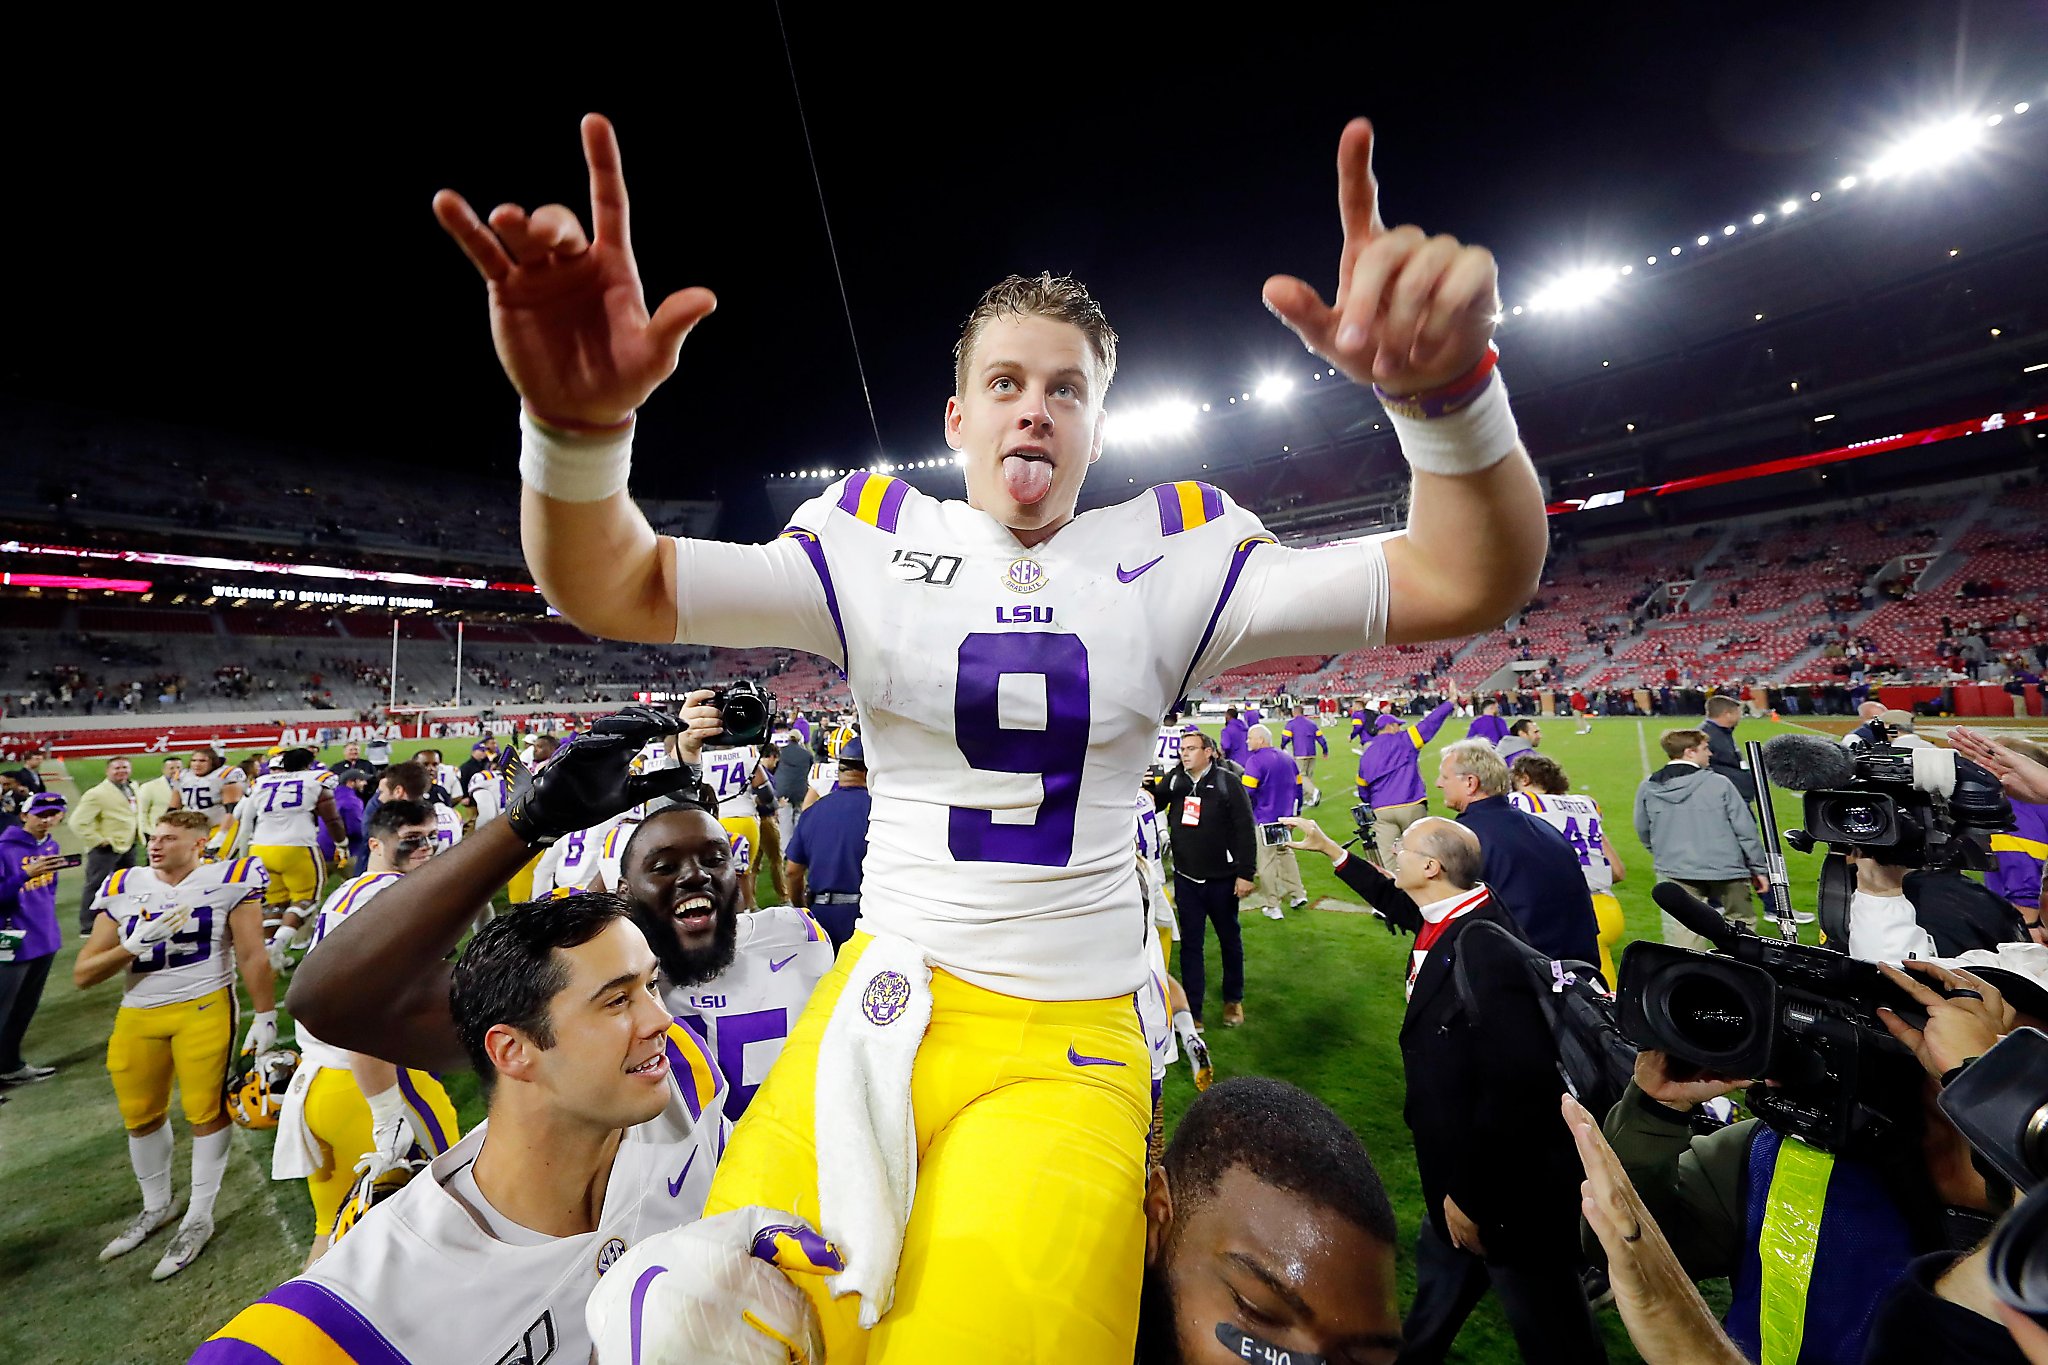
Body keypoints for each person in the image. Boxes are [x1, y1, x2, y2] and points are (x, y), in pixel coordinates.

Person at [436, 112, 1548, 1358]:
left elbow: (1467, 573)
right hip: (878, 1005)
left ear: (1094, 425)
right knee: (695, 1327)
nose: (1034, 410)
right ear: (955, 420)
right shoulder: (866, 536)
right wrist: (576, 437)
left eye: (1065, 389)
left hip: (1065, 1040)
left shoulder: (1174, 552)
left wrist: (1449, 404)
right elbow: (616, 583)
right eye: (1004, 385)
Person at [199, 893, 730, 1365]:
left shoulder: (681, 1079)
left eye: (651, 986)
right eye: (617, 1000)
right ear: (512, 1051)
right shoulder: (363, 1308)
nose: (661, 1020)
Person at [1282, 813, 1606, 1363]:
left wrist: (1472, 1198)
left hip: (1500, 1193)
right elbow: (1404, 905)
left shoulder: (1484, 950)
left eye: (1404, 851)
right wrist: (1331, 851)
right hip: (1457, 1173)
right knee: (1440, 1291)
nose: (1395, 858)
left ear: (1431, 867)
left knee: (1552, 1327)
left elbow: (1519, 1089)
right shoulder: (1461, 909)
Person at [1602, 959, 2009, 1365]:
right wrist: (1655, 1115)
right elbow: (1631, 1245)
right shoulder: (1777, 1155)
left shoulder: (2028, 1178)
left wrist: (1987, 1087)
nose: (1962, 1049)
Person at [73, 810, 275, 1280]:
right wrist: (133, 946)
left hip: (203, 1006)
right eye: (153, 837)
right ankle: (156, 1206)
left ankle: (199, 1216)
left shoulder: (232, 878)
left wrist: (266, 1013)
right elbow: (84, 974)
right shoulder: (124, 883)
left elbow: (251, 953)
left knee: (205, 1111)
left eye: (168, 838)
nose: (156, 845)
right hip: (139, 1012)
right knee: (140, 1115)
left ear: (199, 845)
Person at [270, 798, 461, 1266]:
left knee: (332, 1239)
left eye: (430, 838)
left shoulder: (350, 890)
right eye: (411, 840)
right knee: (451, 1224)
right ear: (375, 843)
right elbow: (364, 1012)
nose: (424, 849)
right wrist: (385, 1110)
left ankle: (301, 1336)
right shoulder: (393, 896)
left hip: (318, 1086)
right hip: (374, 1083)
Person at [1436, 740, 1600, 964]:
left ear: (1470, 783)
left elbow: (1446, 920)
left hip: (1526, 973)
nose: (1438, 784)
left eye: (1445, 777)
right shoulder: (1544, 828)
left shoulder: (1466, 836)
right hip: (1576, 968)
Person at [1150, 731, 1258, 1027]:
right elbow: (1152, 803)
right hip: (1186, 879)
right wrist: (1145, 786)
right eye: (1182, 749)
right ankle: (1193, 1011)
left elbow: (1245, 830)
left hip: (1222, 881)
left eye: (1192, 749)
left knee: (1229, 940)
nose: (1185, 754)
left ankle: (1233, 1000)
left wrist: (1245, 873)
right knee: (1191, 946)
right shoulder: (1176, 780)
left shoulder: (1228, 782)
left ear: (1209, 752)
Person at [1634, 728, 1768, 948]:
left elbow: (1643, 828)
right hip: (1727, 867)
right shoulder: (1719, 783)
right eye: (1705, 749)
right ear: (1690, 752)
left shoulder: (1649, 787)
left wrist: (1663, 853)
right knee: (1740, 926)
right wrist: (1759, 869)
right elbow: (1745, 830)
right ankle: (1740, 975)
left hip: (1677, 866)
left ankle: (1693, 977)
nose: (1710, 754)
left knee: (1685, 928)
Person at [1509, 752, 1627, 986]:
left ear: (1523, 779)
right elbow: (1617, 871)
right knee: (1604, 990)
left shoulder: (1523, 802)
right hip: (1607, 907)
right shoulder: (1586, 804)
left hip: (1568, 911)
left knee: (1560, 992)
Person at [239, 747, 348, 968]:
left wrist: (244, 856)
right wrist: (342, 844)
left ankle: (270, 950)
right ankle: (277, 945)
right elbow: (332, 818)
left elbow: (245, 821)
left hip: (260, 847)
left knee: (275, 902)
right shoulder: (316, 780)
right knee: (306, 899)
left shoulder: (261, 782)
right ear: (309, 764)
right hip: (297, 847)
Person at [0, 792, 68, 1086]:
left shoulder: (51, 845)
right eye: (41, 814)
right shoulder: (4, 848)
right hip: (11, 938)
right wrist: (24, 875)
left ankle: (10, 1065)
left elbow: (48, 893)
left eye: (54, 813)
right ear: (24, 815)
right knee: (3, 1007)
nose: (48, 820)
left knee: (25, 1007)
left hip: (43, 937)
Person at [783, 736, 871, 949]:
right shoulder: (881, 810)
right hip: (870, 915)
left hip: (823, 914)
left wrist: (801, 908)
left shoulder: (813, 812)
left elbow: (792, 871)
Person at [1357, 693, 1457, 856]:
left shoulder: (1368, 752)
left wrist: (1372, 801)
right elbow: (1430, 723)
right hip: (1411, 802)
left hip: (1381, 809)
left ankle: (1393, 882)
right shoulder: (1404, 739)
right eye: (1398, 725)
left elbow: (1362, 787)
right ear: (1390, 727)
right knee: (1419, 853)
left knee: (1388, 858)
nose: (1400, 728)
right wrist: (1450, 703)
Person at [1240, 724, 1307, 920]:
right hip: (1285, 817)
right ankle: (1298, 894)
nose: (1247, 741)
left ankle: (1272, 905)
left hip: (1265, 818)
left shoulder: (1255, 761)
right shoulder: (1287, 758)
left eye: (1250, 738)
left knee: (1266, 862)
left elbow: (1247, 792)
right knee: (1285, 854)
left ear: (1260, 740)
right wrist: (1296, 814)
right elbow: (1299, 788)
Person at [72, 755, 140, 937]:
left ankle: (123, 917)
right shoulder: (97, 793)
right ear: (108, 771)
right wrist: (97, 840)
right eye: (117, 768)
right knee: (95, 885)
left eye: (125, 767)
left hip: (129, 844)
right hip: (106, 848)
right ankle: (87, 926)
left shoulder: (132, 787)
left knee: (127, 884)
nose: (121, 771)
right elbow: (78, 822)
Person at [1988, 736, 2048, 927]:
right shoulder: (2038, 805)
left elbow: (2023, 872)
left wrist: (2028, 927)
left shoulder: (2015, 811)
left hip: (2029, 924)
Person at [178, 748, 247, 860]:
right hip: (195, 827)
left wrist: (221, 835)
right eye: (194, 760)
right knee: (188, 862)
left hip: (222, 824)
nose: (197, 764)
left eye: (202, 761)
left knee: (213, 861)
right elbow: (174, 808)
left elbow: (232, 809)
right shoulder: (184, 776)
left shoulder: (225, 775)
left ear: (213, 762)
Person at [1701, 695, 1756, 803]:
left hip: (1733, 793)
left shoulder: (1721, 732)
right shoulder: (1706, 736)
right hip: (1725, 797)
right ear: (1727, 714)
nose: (1740, 717)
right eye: (1738, 713)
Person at [1281, 706, 1327, 805]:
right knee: (1308, 775)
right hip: (1312, 752)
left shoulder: (1291, 724)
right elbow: (1320, 737)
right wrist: (1325, 750)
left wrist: (1282, 746)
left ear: (1294, 712)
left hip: (1300, 753)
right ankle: (1308, 798)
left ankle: (1314, 792)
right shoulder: (1312, 723)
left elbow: (1285, 738)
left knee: (1301, 775)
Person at [137, 757, 184, 832]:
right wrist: (147, 831)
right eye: (171, 768)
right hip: (158, 832)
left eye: (178, 768)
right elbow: (142, 811)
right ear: (164, 770)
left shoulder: (189, 786)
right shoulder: (149, 787)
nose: (176, 771)